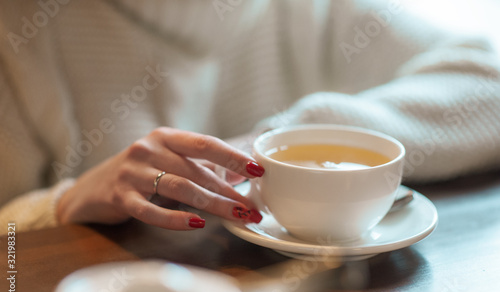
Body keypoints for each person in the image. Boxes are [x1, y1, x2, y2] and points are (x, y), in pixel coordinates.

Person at [1, 0, 499, 234]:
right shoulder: (21, 34)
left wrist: (290, 136)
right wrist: (62, 205)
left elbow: (489, 80)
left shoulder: (303, 10)